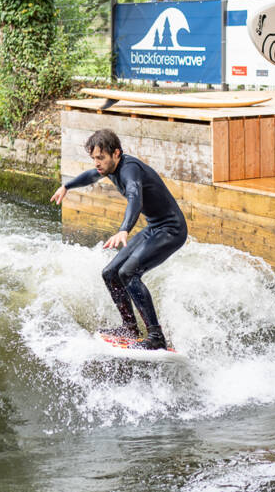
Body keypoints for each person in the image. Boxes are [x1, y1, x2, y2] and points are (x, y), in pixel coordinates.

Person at [50, 129, 186, 350]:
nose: (97, 163)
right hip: (154, 227)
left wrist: (124, 229)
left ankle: (156, 336)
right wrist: (67, 186)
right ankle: (130, 327)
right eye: (94, 158)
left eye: (101, 158)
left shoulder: (129, 170)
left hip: (171, 230)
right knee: (110, 274)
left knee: (128, 273)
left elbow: (135, 197)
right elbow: (90, 175)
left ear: (116, 153)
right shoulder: (107, 168)